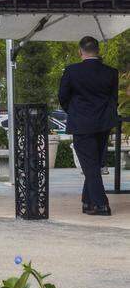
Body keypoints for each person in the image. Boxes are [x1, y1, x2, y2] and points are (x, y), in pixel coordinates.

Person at [58, 35, 116, 216]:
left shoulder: (71, 71)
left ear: (80, 51)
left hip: (81, 123)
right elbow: (113, 99)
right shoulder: (111, 72)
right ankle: (87, 202)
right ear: (98, 51)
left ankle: (101, 204)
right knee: (94, 164)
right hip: (103, 123)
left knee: (90, 166)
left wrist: (74, 112)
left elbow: (62, 96)